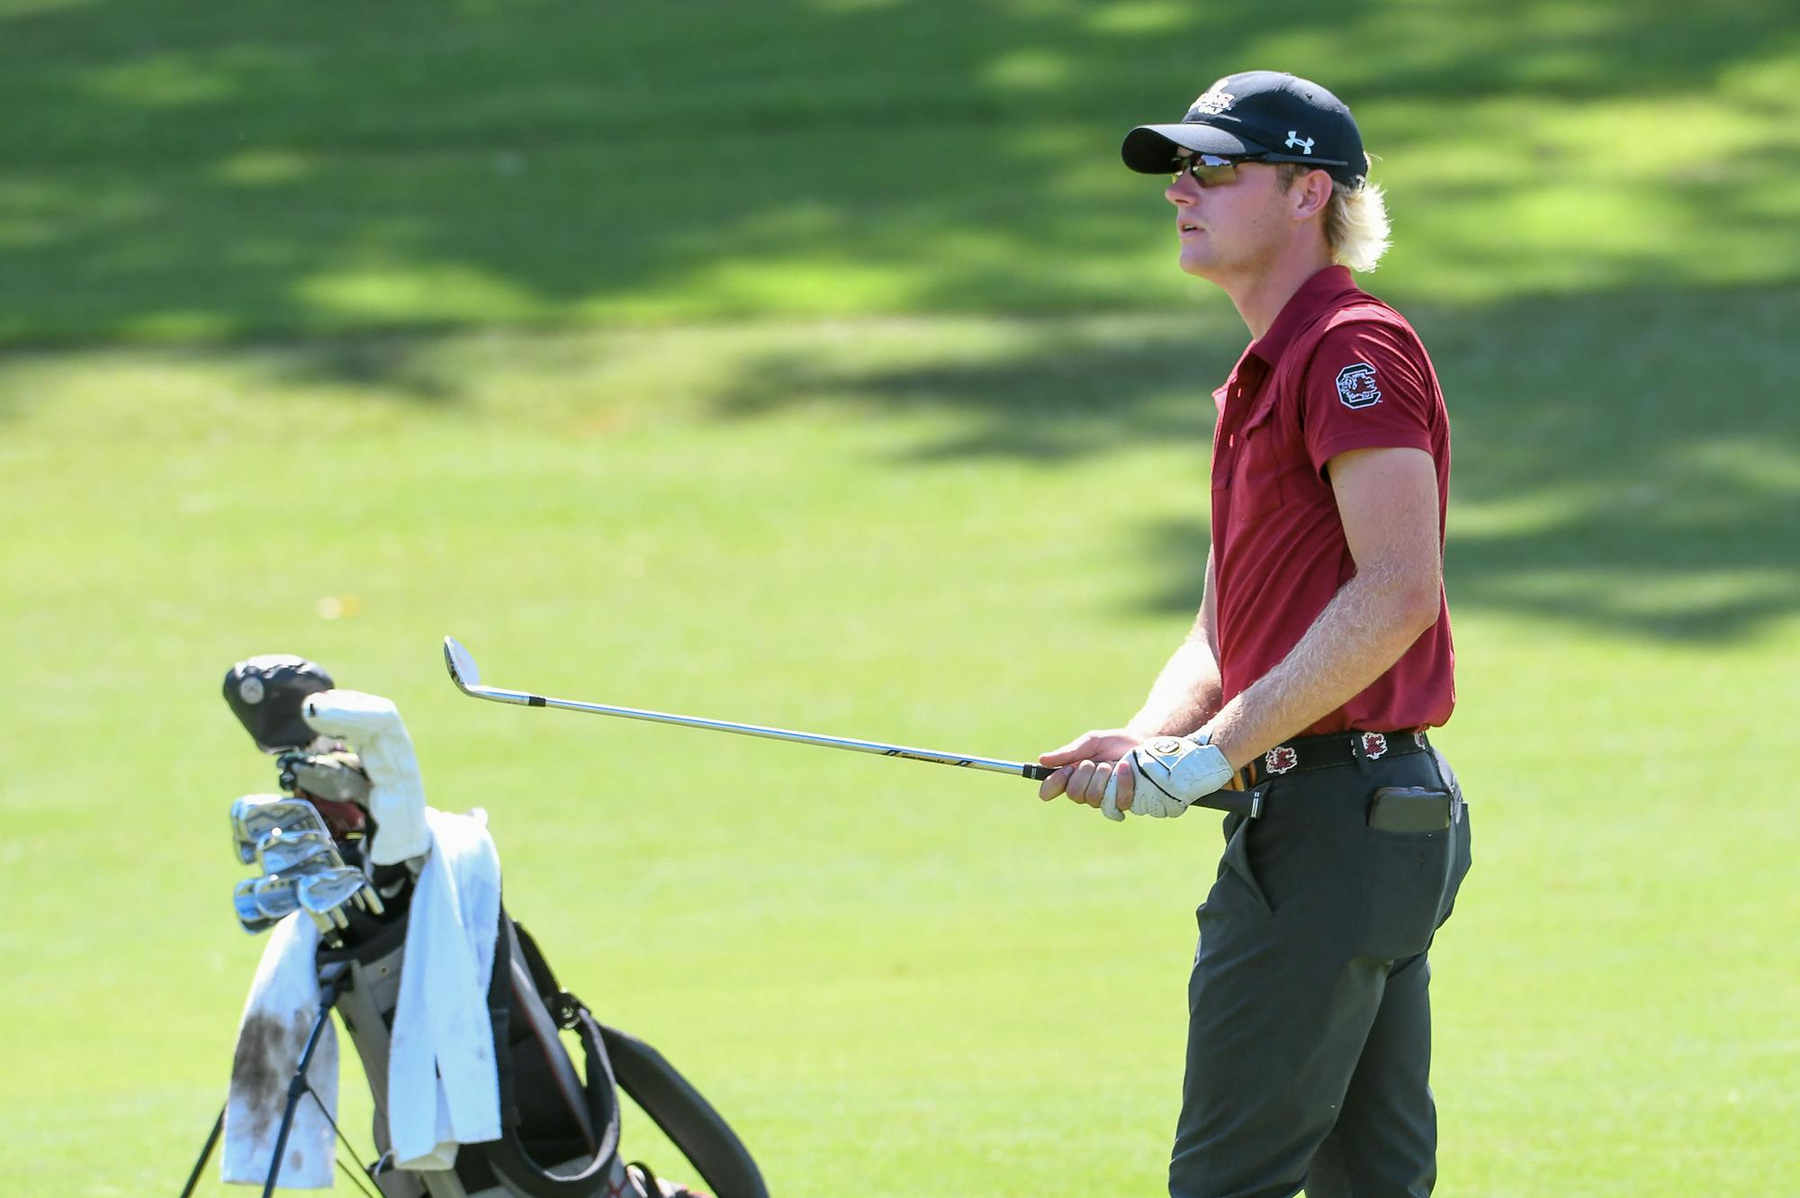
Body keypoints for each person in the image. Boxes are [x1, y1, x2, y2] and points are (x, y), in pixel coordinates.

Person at [1035, 71, 1473, 1198]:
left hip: (1335, 822)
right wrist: (1152, 738)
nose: (1180, 189)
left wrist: (1211, 754)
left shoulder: (1349, 351)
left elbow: (1398, 592)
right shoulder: (1264, 373)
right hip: (1344, 818)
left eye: (1215, 168)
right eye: (1181, 169)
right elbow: (1220, 628)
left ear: (1306, 192)